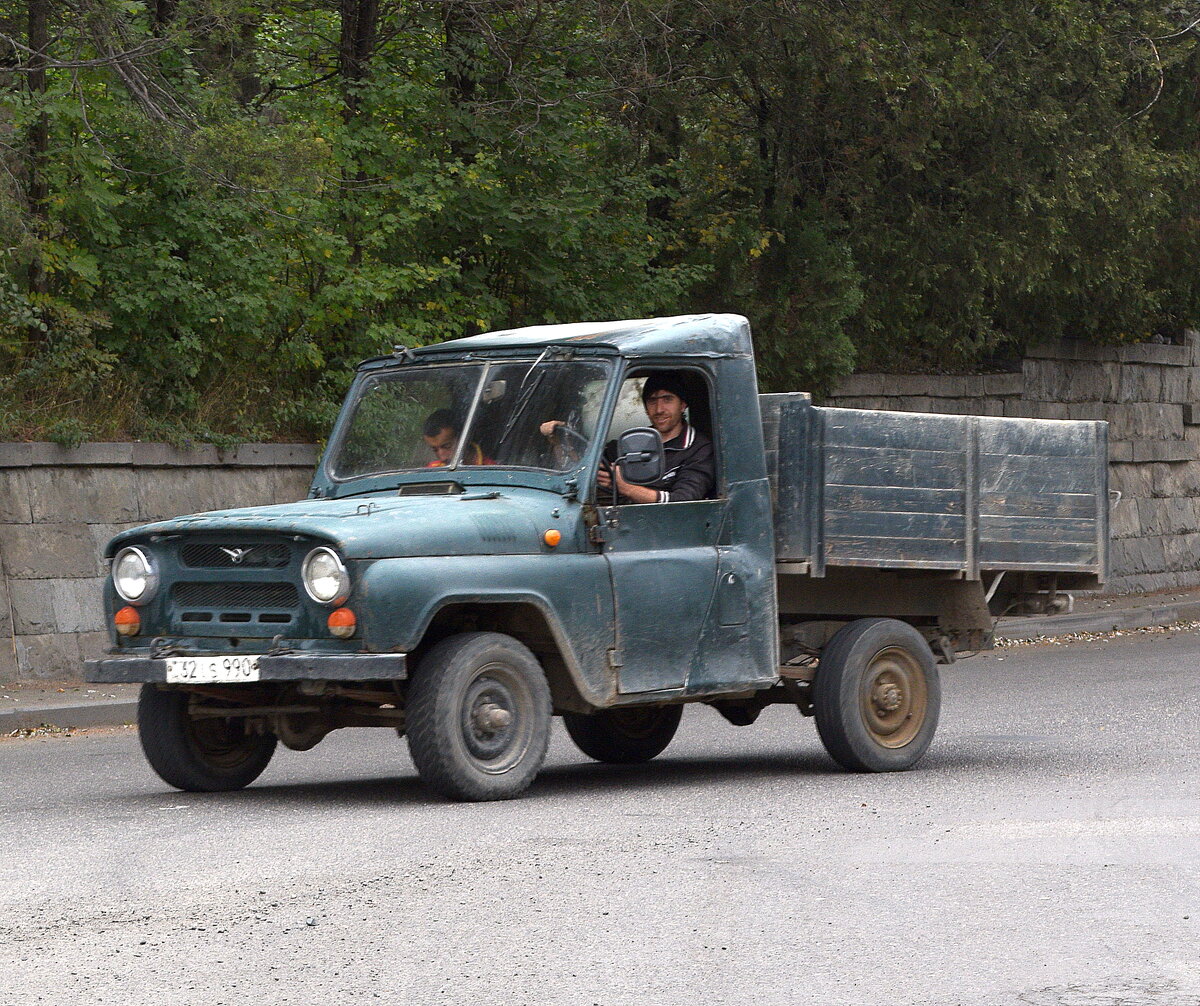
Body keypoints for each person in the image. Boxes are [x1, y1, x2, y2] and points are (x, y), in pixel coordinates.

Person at [596, 372, 716, 504]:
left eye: (667, 399)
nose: (659, 409)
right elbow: (590, 463)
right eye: (652, 401)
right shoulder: (632, 443)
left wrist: (625, 487)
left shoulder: (699, 449)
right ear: (646, 408)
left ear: (682, 405)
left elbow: (683, 501)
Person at [422, 409, 493, 467]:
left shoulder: (490, 469)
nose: (442, 458)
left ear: (463, 439)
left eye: (447, 446)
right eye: (435, 450)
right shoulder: (432, 470)